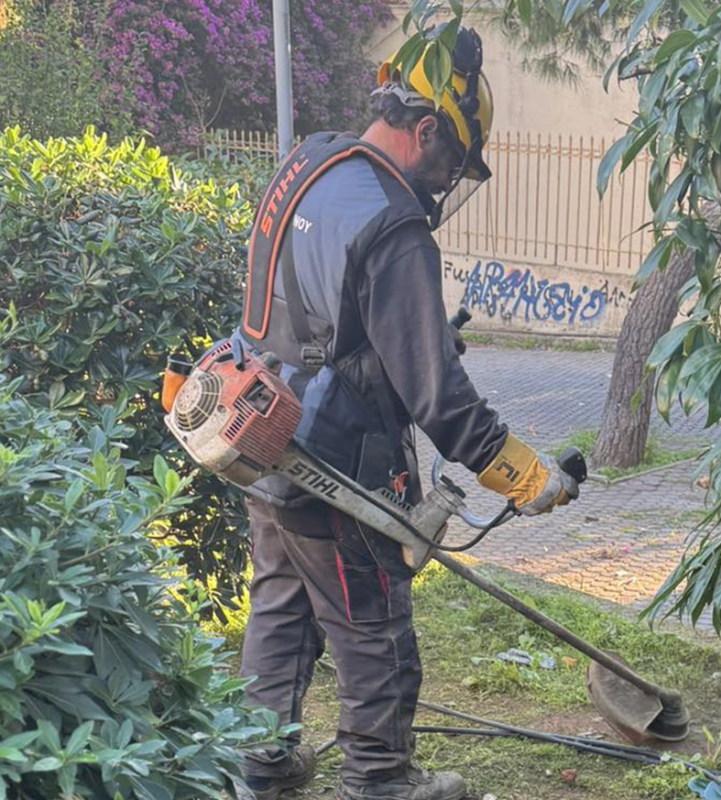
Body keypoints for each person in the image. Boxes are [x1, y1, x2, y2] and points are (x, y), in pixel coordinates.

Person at [233, 26, 580, 800]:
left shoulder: (311, 162)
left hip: (259, 427)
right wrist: (527, 478)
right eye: (451, 159)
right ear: (425, 129)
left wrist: (399, 341)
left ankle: (258, 766)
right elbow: (442, 403)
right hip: (338, 465)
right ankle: (382, 782)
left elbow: (312, 312)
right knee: (373, 628)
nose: (446, 179)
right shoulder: (395, 223)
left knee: (283, 607)